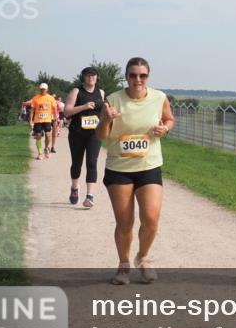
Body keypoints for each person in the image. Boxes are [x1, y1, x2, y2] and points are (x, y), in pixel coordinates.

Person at [96, 57, 174, 285]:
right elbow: (101, 136)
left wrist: (164, 128)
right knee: (125, 222)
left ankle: (143, 257)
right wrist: (106, 120)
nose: (137, 79)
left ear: (148, 76)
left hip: (149, 166)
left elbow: (169, 119)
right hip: (119, 168)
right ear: (126, 76)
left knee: (151, 218)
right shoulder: (113, 100)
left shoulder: (159, 98)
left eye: (142, 75)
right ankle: (123, 264)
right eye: (133, 75)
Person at [64, 67, 106, 208]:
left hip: (94, 133)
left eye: (93, 75)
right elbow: (66, 111)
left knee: (92, 162)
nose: (91, 78)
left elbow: (103, 112)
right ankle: (75, 188)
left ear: (97, 77)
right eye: (88, 76)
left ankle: (90, 196)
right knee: (77, 163)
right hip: (77, 133)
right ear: (83, 78)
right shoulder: (76, 91)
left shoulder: (101, 92)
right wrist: (83, 107)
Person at [28, 83, 58, 160]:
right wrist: (31, 120)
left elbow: (54, 109)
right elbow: (32, 110)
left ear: (47, 89)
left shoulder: (51, 98)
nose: (43, 90)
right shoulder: (35, 98)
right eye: (41, 89)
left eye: (44, 89)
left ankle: (46, 148)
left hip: (47, 119)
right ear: (39, 89)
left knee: (48, 135)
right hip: (38, 120)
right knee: (38, 136)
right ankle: (40, 153)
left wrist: (55, 118)